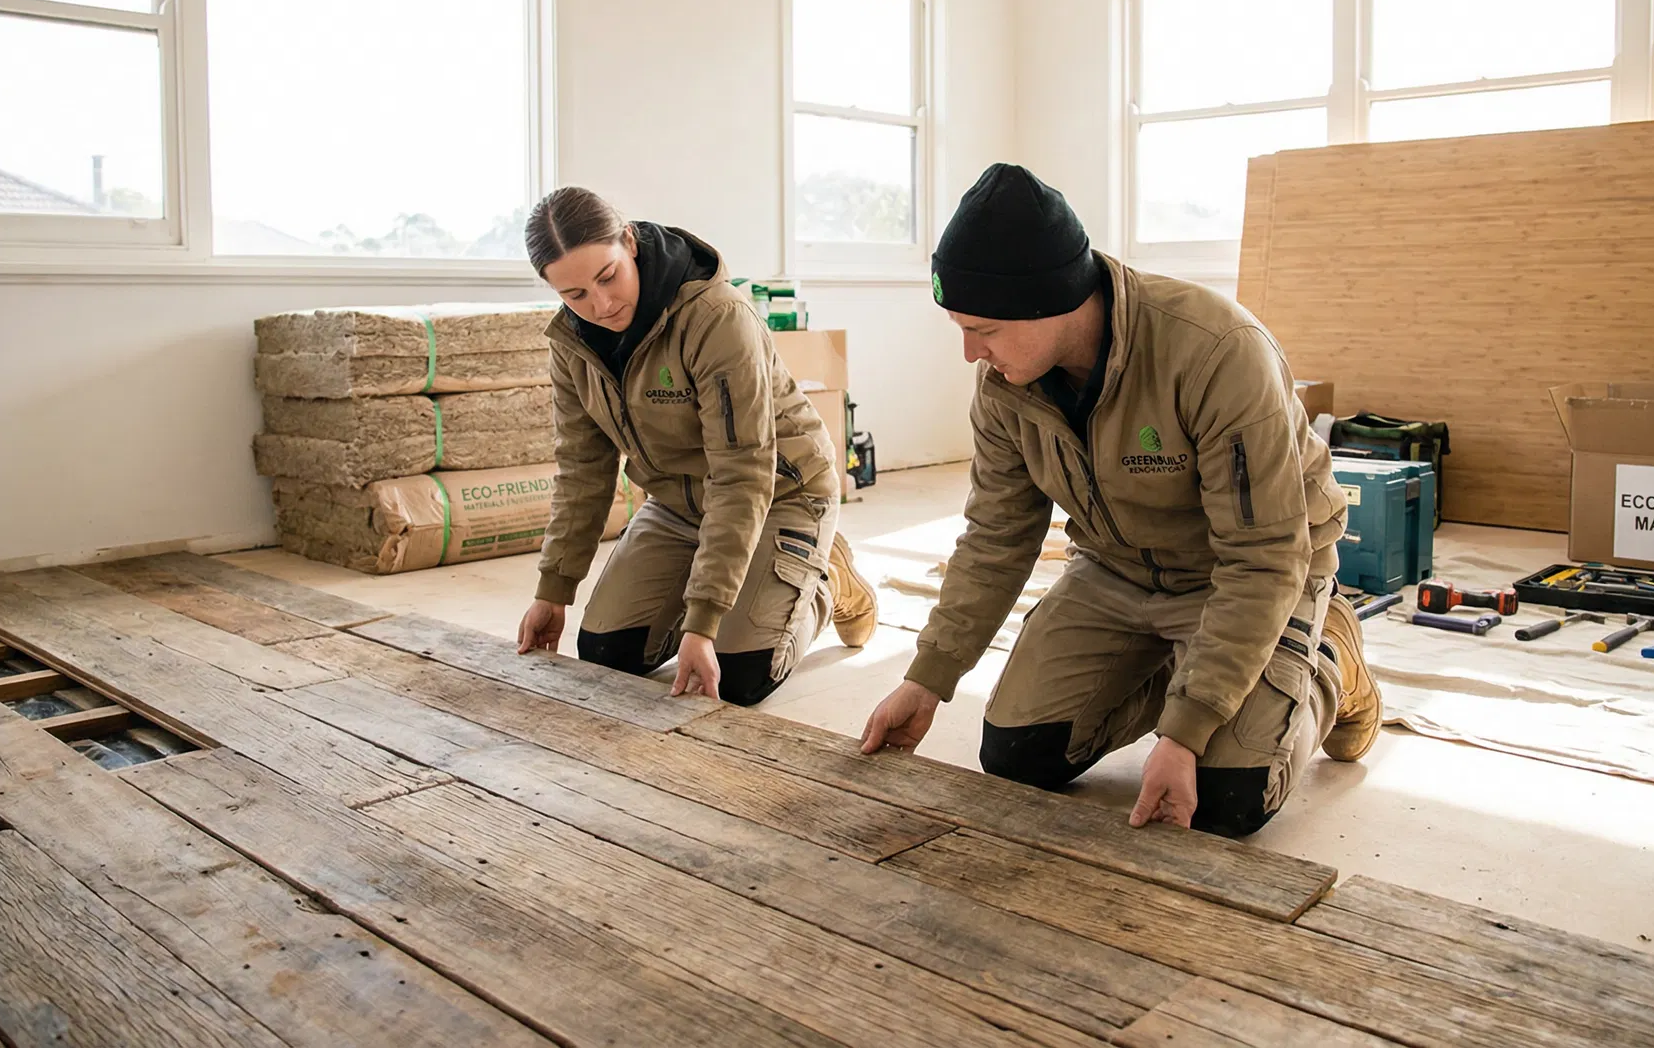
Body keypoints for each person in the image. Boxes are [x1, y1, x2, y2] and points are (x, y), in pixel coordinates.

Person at [857, 164, 1378, 836]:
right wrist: (928, 677)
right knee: (1019, 755)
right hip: (1116, 572)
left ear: (1049, 301)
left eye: (981, 328)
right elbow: (995, 539)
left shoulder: (1218, 352)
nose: (968, 353)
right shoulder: (1003, 387)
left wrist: (1186, 734)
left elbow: (1262, 555)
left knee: (1227, 798)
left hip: (1246, 574)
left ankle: (1329, 657)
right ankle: (1187, 669)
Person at [516, 186, 876, 705]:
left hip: (779, 492)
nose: (601, 304)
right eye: (575, 295)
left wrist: (704, 620)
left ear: (629, 242)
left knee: (740, 676)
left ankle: (827, 580)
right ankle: (742, 579)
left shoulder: (716, 317)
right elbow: (582, 470)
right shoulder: (572, 344)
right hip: (680, 505)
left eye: (608, 276)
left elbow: (742, 471)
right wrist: (553, 589)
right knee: (605, 655)